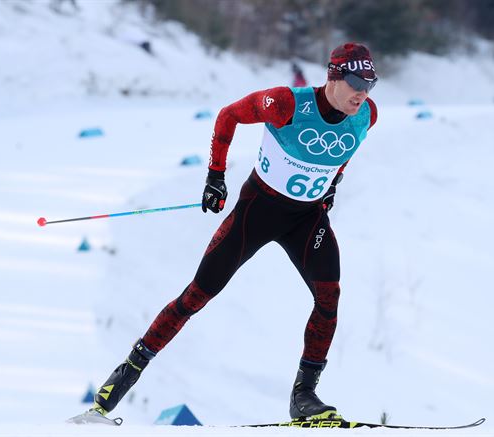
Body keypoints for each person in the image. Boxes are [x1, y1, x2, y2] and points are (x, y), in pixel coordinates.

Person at [86, 42, 378, 422]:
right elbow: (228, 116)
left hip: (307, 219)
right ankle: (122, 379)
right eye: (356, 81)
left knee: (329, 297)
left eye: (371, 83)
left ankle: (304, 397)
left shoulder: (367, 115)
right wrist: (215, 176)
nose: (363, 92)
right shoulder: (286, 103)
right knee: (196, 295)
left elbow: (344, 151)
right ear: (333, 75)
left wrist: (333, 182)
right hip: (257, 212)